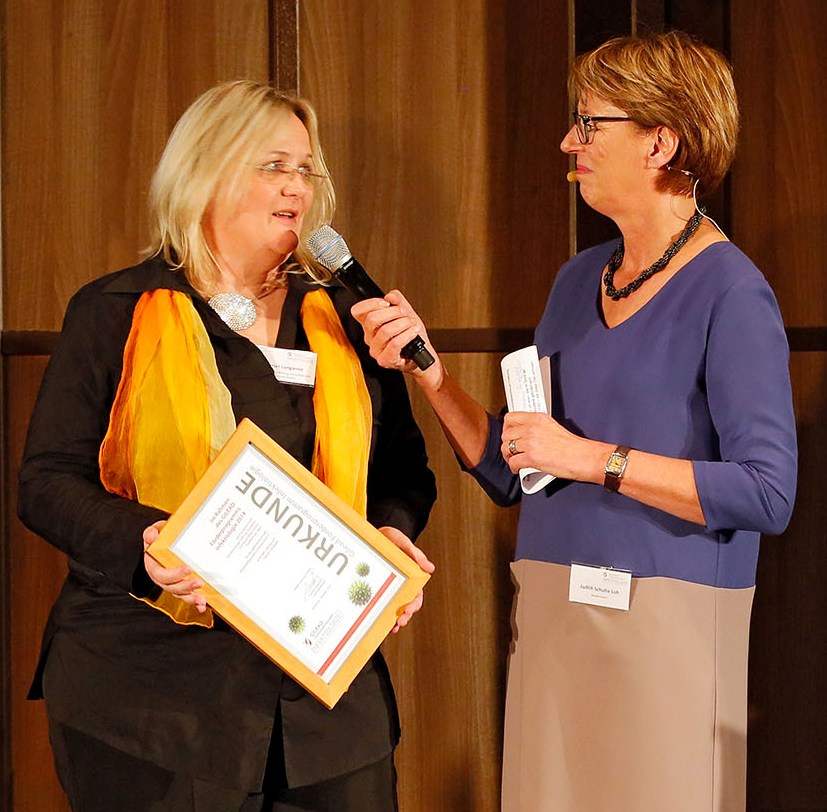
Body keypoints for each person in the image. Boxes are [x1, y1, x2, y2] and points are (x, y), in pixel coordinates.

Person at [352, 31, 797, 812]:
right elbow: (513, 469)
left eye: (589, 124)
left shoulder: (731, 293)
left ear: (661, 141)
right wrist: (430, 376)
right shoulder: (574, 280)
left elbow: (766, 493)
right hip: (555, 620)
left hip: (669, 633)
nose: (568, 142)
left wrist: (594, 459)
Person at [17, 79, 436, 812]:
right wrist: (146, 541)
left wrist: (392, 539)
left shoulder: (343, 317)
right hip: (153, 695)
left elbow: (404, 473)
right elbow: (47, 482)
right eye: (273, 165)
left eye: (306, 169)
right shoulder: (116, 309)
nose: (296, 187)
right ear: (205, 170)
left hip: (324, 696)